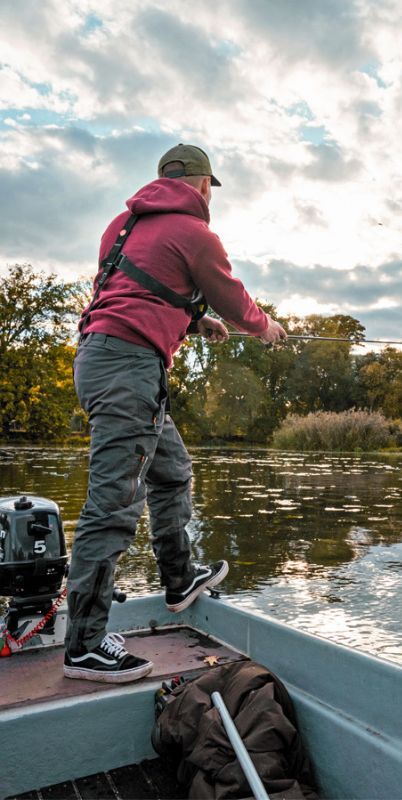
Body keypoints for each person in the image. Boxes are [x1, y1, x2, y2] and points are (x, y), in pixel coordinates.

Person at [64, 143, 287, 683]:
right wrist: (266, 328)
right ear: (204, 185)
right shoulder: (196, 234)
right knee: (114, 505)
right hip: (128, 370)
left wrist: (191, 322)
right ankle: (85, 647)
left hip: (103, 358)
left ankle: (179, 579)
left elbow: (130, 293)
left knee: (172, 470)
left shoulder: (121, 226)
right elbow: (234, 300)